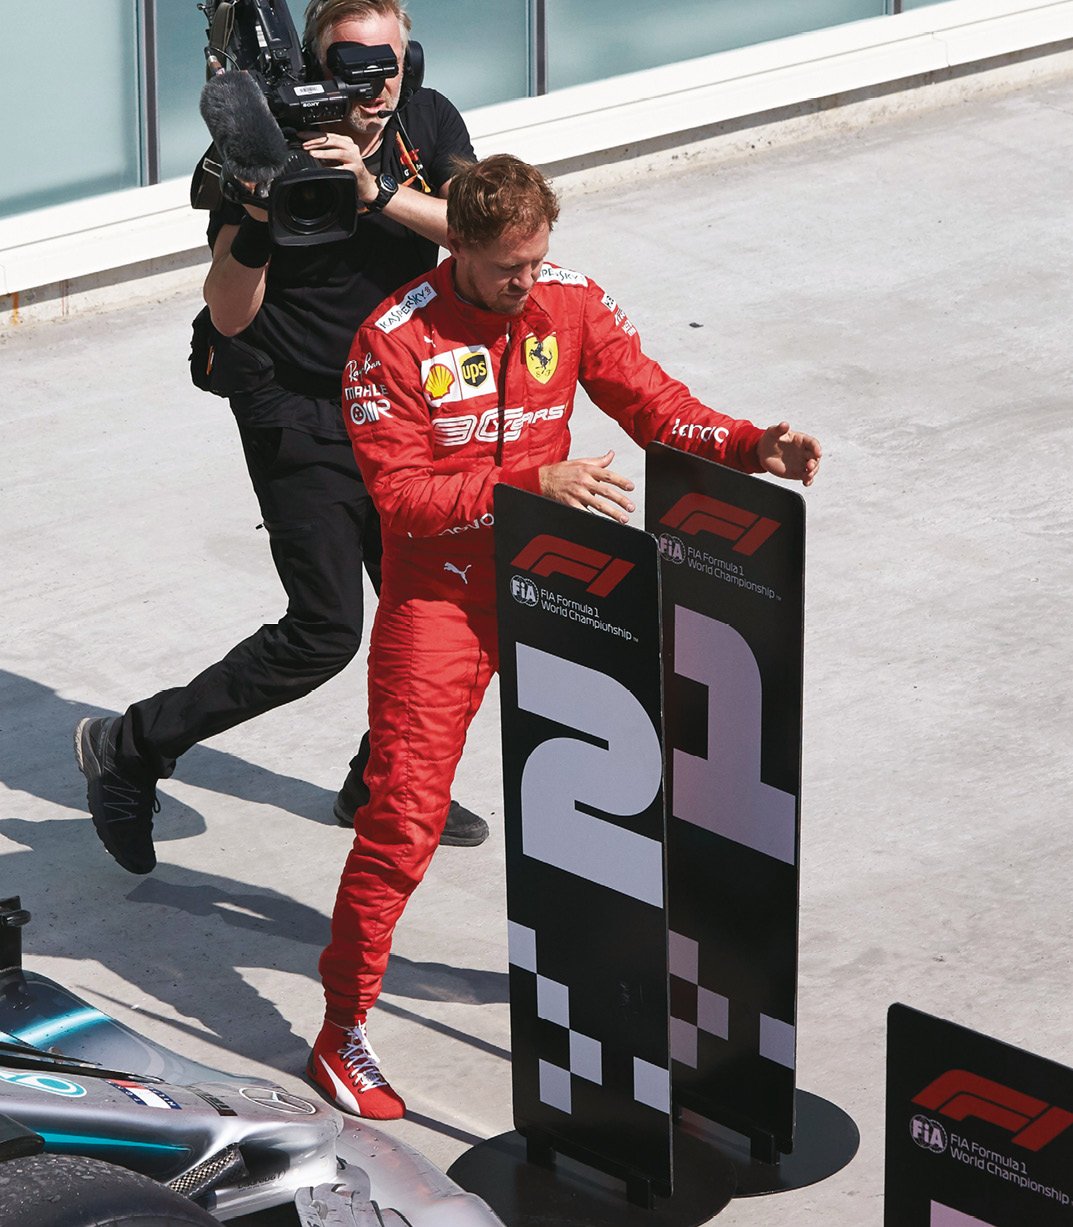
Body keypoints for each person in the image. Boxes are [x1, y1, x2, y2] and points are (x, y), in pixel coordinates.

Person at [306, 153, 823, 1119]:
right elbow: (402, 503)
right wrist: (530, 485)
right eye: (508, 267)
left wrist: (754, 446)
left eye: (538, 260)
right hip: (441, 606)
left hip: (555, 585)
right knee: (404, 820)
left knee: (618, 793)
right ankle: (341, 1028)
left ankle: (610, 985)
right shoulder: (391, 338)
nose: (526, 283)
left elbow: (652, 404)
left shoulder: (568, 301)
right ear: (455, 244)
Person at [74, 0, 487, 877]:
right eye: (354, 72)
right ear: (315, 63)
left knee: (442, 609)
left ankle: (376, 781)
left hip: (400, 400)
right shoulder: (258, 137)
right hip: (293, 398)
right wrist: (261, 212)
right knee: (325, 630)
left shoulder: (425, 123)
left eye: (391, 67)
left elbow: (478, 234)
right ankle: (131, 746)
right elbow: (228, 314)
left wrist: (375, 191)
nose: (374, 93)